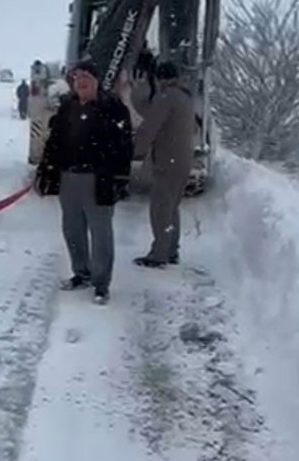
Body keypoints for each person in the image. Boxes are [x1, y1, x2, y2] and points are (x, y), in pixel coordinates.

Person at [36, 60, 133, 304]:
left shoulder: (113, 108)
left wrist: (120, 179)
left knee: (101, 234)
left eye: (87, 77)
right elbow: (54, 142)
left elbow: (124, 147)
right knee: (72, 229)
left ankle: (101, 284)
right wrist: (46, 170)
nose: (81, 81)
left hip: (99, 179)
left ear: (97, 81)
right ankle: (81, 273)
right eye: (77, 77)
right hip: (69, 178)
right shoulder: (67, 107)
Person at [130, 60, 195, 267]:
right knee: (171, 207)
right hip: (183, 159)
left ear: (159, 79)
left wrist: (134, 152)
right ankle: (171, 250)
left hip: (168, 160)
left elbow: (149, 126)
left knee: (160, 209)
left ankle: (159, 255)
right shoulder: (183, 96)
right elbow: (154, 112)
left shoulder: (166, 97)